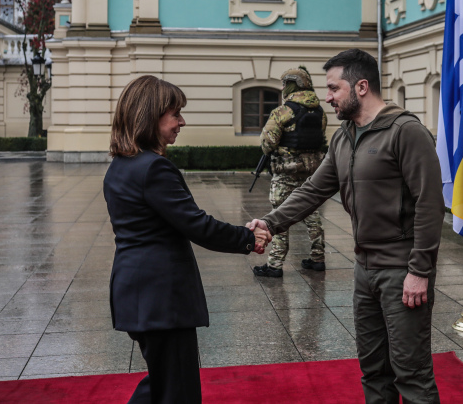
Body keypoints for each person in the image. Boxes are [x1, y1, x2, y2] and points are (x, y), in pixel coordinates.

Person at [247, 49, 445, 404]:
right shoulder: (344, 136)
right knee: (373, 371)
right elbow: (313, 189)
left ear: (362, 87)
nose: (327, 97)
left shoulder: (407, 132)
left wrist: (420, 270)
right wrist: (270, 222)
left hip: (402, 271)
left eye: (334, 88)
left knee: (411, 374)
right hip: (364, 270)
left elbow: (430, 205)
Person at [104, 75, 270, 403]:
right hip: (161, 297)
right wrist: (248, 239)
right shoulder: (153, 168)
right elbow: (197, 226)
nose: (181, 121)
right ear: (150, 116)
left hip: (138, 293)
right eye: (174, 113)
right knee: (178, 392)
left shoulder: (120, 166)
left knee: (163, 384)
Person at [253, 66, 328, 278]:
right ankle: (317, 258)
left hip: (285, 172)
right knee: (312, 213)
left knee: (279, 215)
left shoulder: (282, 112)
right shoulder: (320, 112)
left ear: (293, 84)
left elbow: (267, 143)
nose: (283, 88)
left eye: (285, 83)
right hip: (311, 172)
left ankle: (275, 264)